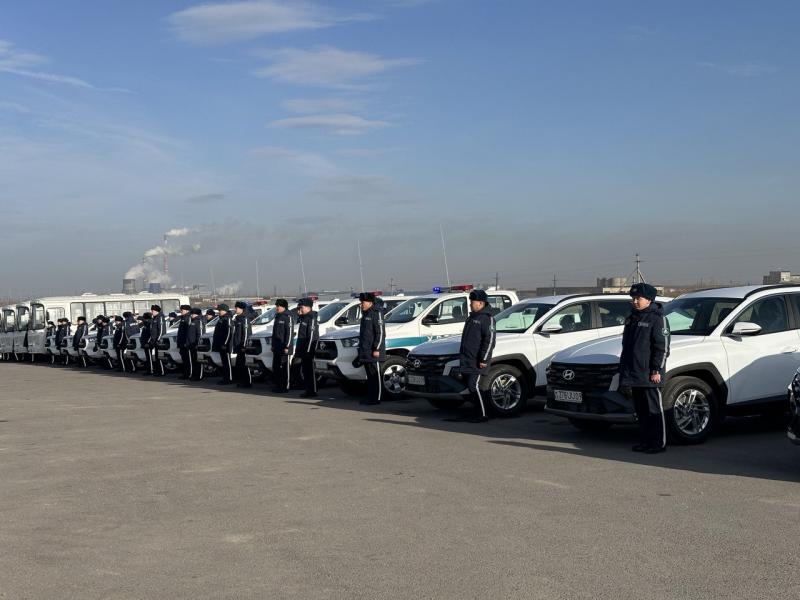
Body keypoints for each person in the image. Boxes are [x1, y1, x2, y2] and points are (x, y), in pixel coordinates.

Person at [620, 282, 670, 454]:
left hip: (650, 375)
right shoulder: (632, 317)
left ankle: (658, 443)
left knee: (654, 410)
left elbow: (662, 348)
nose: (635, 301)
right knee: (641, 411)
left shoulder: (657, 318)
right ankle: (645, 441)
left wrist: (656, 370)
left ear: (649, 300)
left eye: (638, 298)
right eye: (633, 298)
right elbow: (627, 348)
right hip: (634, 374)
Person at [458, 290, 497, 422]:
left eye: (472, 302)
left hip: (478, 362)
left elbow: (489, 341)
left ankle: (484, 414)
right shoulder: (472, 317)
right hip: (467, 360)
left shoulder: (487, 319)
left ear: (480, 303)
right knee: (469, 388)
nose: (470, 304)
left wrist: (483, 359)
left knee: (474, 386)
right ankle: (475, 413)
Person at [354, 292, 385, 405]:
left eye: (363, 302)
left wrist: (376, 348)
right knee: (370, 376)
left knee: (375, 375)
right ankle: (371, 397)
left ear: (370, 303)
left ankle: (377, 398)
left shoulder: (376, 313)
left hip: (373, 351)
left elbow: (380, 333)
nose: (361, 304)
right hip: (366, 350)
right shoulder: (366, 313)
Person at [295, 298, 319, 398]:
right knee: (305, 371)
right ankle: (308, 390)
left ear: (308, 307)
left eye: (302, 307)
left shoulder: (311, 318)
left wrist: (309, 351)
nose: (300, 309)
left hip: (308, 350)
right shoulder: (304, 317)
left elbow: (312, 335)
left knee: (310, 371)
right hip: (303, 349)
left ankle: (312, 391)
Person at [271, 299, 294, 393]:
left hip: (284, 347)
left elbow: (289, 333)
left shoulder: (287, 317)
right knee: (276, 367)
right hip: (277, 346)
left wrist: (287, 346)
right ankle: (278, 385)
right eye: (276, 306)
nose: (277, 308)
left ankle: (285, 386)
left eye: (278, 306)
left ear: (283, 306)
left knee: (284, 367)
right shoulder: (277, 316)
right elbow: (274, 333)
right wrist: (273, 345)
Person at [232, 301, 252, 388]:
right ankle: (242, 381)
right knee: (239, 365)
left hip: (243, 346)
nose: (235, 309)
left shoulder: (245, 319)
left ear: (241, 309)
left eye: (236, 308)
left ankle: (247, 382)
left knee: (244, 365)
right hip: (238, 346)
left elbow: (246, 333)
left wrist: (244, 345)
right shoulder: (238, 318)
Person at [212, 303, 233, 385]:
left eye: (220, 310)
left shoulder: (227, 319)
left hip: (225, 345)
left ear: (224, 310)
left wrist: (225, 344)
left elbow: (229, 332)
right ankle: (225, 377)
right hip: (221, 344)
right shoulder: (221, 319)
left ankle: (229, 378)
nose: (219, 312)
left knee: (227, 363)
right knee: (224, 362)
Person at [149, 305, 167, 376]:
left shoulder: (160, 317)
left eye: (152, 311)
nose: (151, 312)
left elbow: (161, 330)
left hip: (158, 341)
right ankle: (158, 370)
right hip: (154, 341)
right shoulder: (154, 318)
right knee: (156, 357)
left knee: (159, 357)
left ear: (156, 311)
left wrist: (158, 340)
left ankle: (162, 371)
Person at [176, 304, 192, 380]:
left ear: (187, 310)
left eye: (182, 310)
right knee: (184, 359)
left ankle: (188, 373)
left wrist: (186, 342)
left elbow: (189, 332)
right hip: (181, 342)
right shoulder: (183, 318)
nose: (181, 311)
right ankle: (185, 373)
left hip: (186, 343)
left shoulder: (188, 318)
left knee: (187, 359)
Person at [189, 307, 204, 381]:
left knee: (198, 361)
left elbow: (200, 334)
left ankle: (199, 376)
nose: (191, 315)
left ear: (196, 314)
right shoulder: (193, 321)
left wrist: (198, 344)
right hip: (191, 344)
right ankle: (194, 374)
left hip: (196, 345)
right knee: (193, 361)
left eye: (193, 314)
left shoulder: (198, 321)